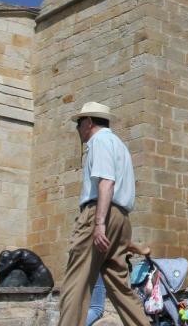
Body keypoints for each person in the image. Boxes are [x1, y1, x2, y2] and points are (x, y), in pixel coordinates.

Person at [59, 101, 147, 326]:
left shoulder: (100, 141)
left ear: (88, 122)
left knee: (76, 284)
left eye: (78, 124)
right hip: (121, 217)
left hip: (101, 213)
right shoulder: (118, 144)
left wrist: (99, 223)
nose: (77, 130)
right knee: (120, 287)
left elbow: (106, 181)